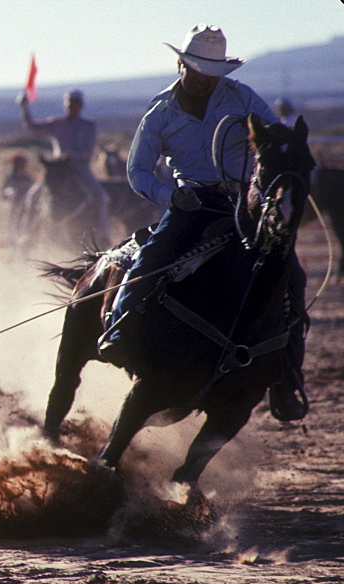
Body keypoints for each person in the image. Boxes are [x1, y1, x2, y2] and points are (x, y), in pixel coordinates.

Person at [98, 24, 307, 421]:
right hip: (190, 204)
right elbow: (138, 170)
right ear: (180, 65)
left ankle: (286, 378)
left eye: (210, 74)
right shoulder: (160, 112)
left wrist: (281, 163)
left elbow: (277, 137)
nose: (202, 80)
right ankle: (121, 332)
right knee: (153, 257)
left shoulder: (241, 97)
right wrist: (169, 196)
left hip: (243, 205)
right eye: (195, 71)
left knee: (290, 277)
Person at [17, 88, 112, 245]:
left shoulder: (88, 126)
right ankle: (27, 234)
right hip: (58, 169)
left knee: (101, 196)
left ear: (80, 106)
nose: (71, 107)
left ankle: (104, 232)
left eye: (75, 104)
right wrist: (25, 107)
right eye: (69, 104)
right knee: (33, 196)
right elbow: (32, 127)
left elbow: (88, 151)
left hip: (80, 168)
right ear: (65, 105)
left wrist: (71, 156)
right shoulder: (57, 123)